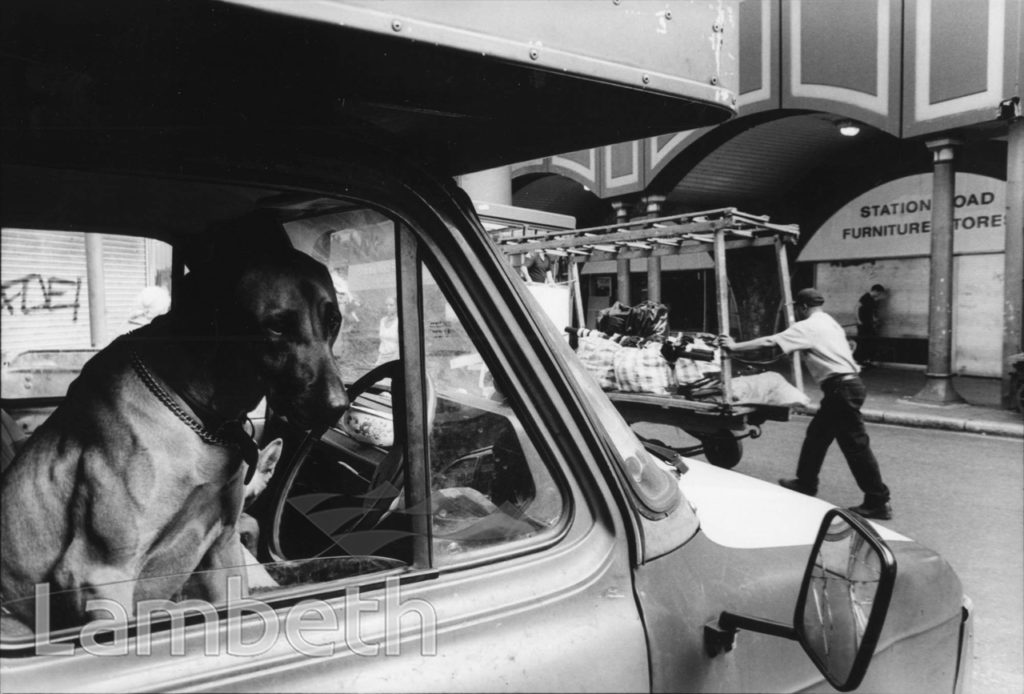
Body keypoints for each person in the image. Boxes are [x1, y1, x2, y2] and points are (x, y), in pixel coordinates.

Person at [717, 287, 892, 520]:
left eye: (798, 308)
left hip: (842, 388)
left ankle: (877, 500)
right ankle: (806, 482)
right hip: (847, 386)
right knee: (817, 437)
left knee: (856, 446)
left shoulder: (807, 326)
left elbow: (770, 341)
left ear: (802, 307)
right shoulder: (829, 321)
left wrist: (734, 346)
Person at [854, 284, 886, 368]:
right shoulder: (865, 297)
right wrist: (858, 320)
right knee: (862, 342)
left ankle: (866, 360)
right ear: (875, 291)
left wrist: (875, 319)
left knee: (870, 341)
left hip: (869, 323)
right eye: (878, 293)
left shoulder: (873, 300)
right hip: (862, 324)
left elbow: (871, 312)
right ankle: (859, 361)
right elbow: (856, 308)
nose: (879, 295)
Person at [374, 296, 399, 366]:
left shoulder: (399, 321)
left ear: (397, 306)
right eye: (386, 305)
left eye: (391, 305)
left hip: (396, 356)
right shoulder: (382, 320)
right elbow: (383, 341)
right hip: (382, 356)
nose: (388, 307)